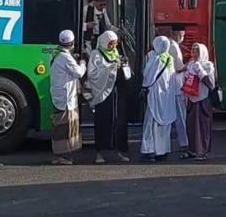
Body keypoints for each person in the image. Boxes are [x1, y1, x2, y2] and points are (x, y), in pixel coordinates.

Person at [87, 30, 132, 164]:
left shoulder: (116, 53)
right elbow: (93, 74)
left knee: (119, 122)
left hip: (117, 94)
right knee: (102, 122)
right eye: (111, 44)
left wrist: (123, 65)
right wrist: (110, 68)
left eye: (115, 44)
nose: (113, 47)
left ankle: (118, 151)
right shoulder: (96, 54)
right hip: (103, 96)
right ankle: (99, 153)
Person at [50, 29, 87, 165]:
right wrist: (82, 63)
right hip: (65, 98)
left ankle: (63, 155)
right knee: (62, 127)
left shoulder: (58, 54)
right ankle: (59, 156)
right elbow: (78, 73)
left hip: (60, 95)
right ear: (71, 43)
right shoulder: (65, 57)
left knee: (63, 125)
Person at [140, 36, 178, 162]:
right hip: (166, 97)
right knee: (164, 125)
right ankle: (162, 150)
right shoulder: (170, 59)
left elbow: (147, 76)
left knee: (150, 123)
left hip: (155, 96)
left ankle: (149, 150)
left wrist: (144, 88)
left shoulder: (155, 59)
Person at [182, 43, 217, 161]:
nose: (194, 54)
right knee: (191, 125)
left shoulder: (208, 66)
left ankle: (202, 151)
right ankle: (192, 149)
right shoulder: (191, 64)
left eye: (197, 51)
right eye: (193, 51)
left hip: (203, 99)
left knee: (202, 126)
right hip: (192, 98)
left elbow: (210, 83)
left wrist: (199, 70)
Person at [167, 24, 190, 154]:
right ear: (176, 33)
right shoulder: (174, 46)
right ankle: (184, 142)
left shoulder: (167, 44)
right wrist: (189, 65)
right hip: (176, 84)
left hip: (169, 84)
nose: (182, 37)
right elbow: (178, 67)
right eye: (182, 35)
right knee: (181, 116)